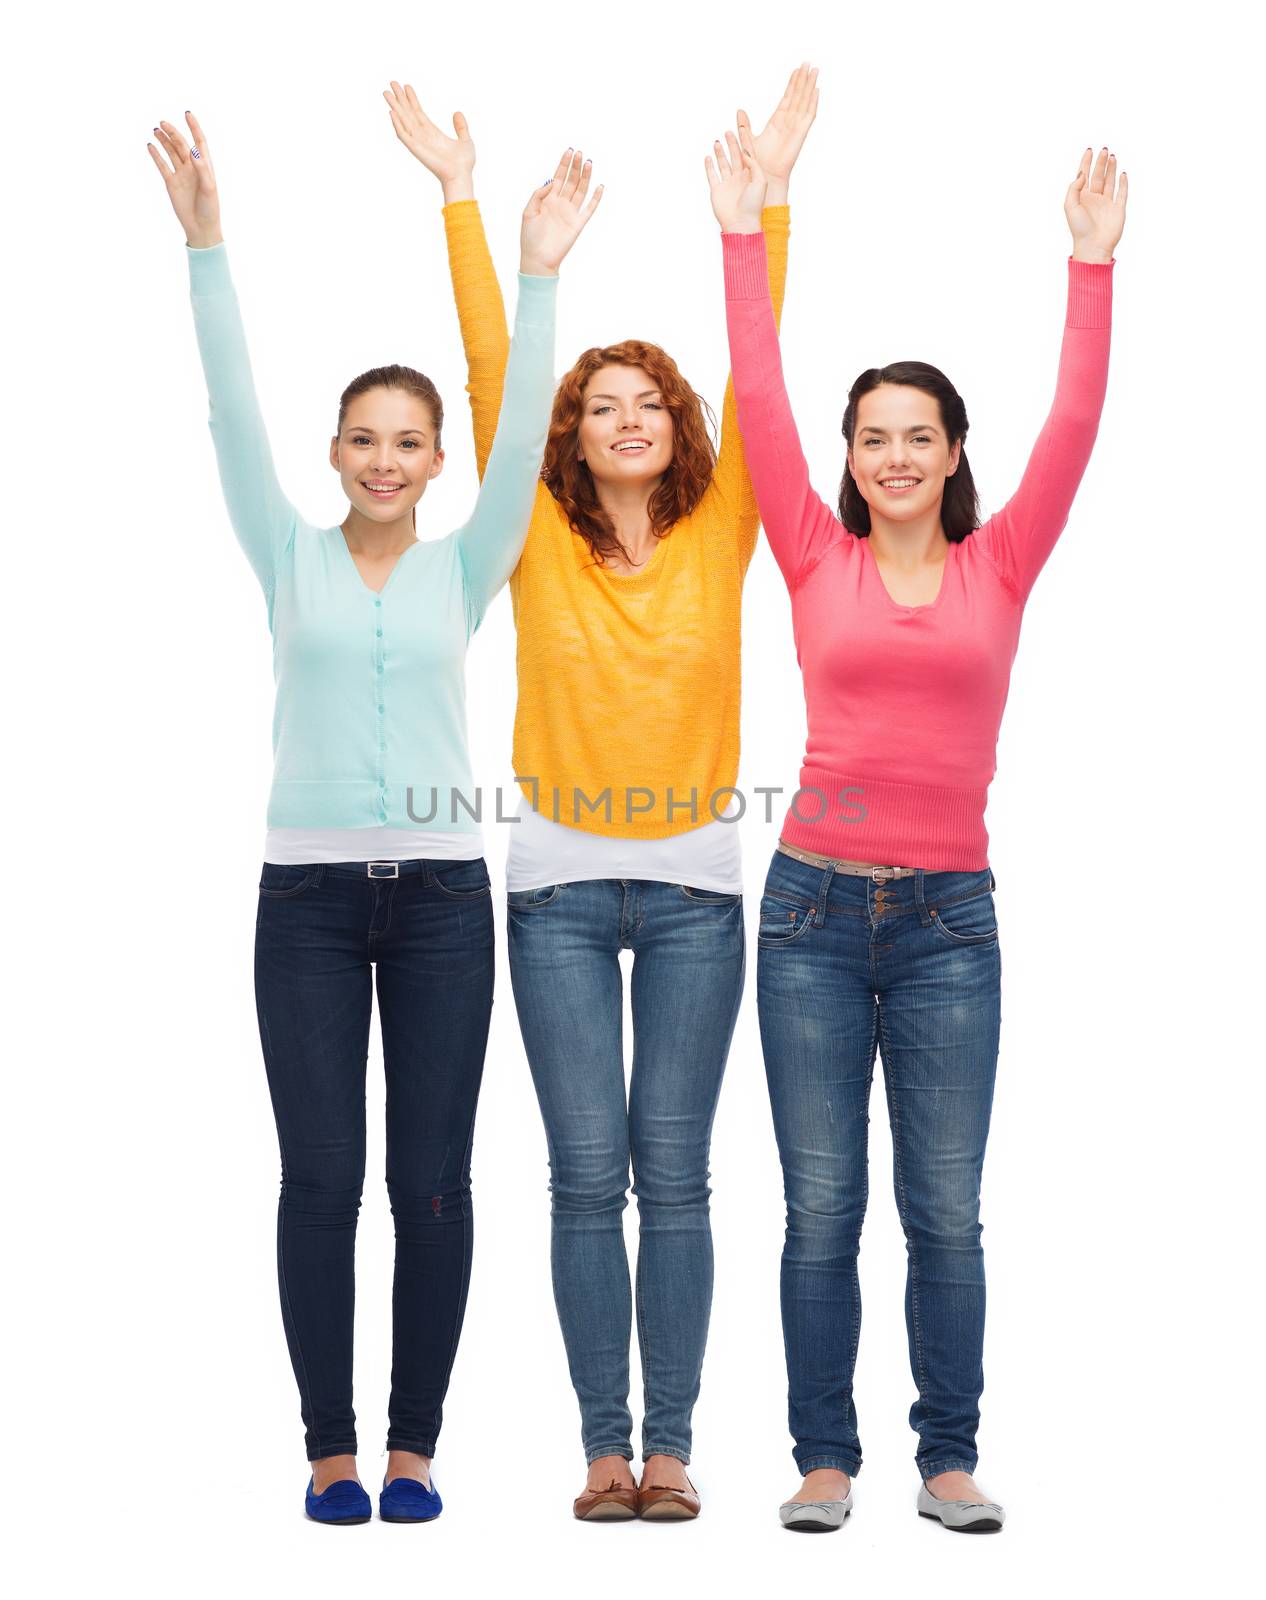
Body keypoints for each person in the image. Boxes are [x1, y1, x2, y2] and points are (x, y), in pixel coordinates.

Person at [147, 106, 600, 1526]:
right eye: (364, 440)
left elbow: (529, 428)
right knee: (321, 1180)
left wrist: (533, 270)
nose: (386, 460)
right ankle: (327, 1450)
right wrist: (208, 245)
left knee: (433, 1183)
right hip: (307, 901)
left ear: (434, 456)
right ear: (336, 454)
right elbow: (227, 403)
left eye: (410, 441)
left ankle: (414, 1448)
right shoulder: (285, 553)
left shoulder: (472, 563)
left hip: (447, 905)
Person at [383, 68, 816, 1520]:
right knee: (585, 1182)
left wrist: (761, 212)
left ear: (676, 424)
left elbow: (760, 371)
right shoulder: (532, 542)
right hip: (556, 889)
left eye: (647, 404)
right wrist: (480, 219)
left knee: (675, 1183)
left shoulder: (726, 527)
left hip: (697, 890)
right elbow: (495, 381)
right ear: (563, 438)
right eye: (597, 408)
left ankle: (674, 1450)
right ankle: (598, 1452)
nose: (624, 420)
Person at [709, 134, 1126, 1531]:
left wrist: (1090, 264)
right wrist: (741, 239)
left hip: (950, 923)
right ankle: (823, 1461)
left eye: (917, 436)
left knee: (943, 1215)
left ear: (952, 456)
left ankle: (944, 1458)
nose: (893, 455)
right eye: (871, 436)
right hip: (812, 917)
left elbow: (1072, 421)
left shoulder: (998, 560)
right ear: (847, 458)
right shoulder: (808, 554)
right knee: (820, 1209)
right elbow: (755, 397)